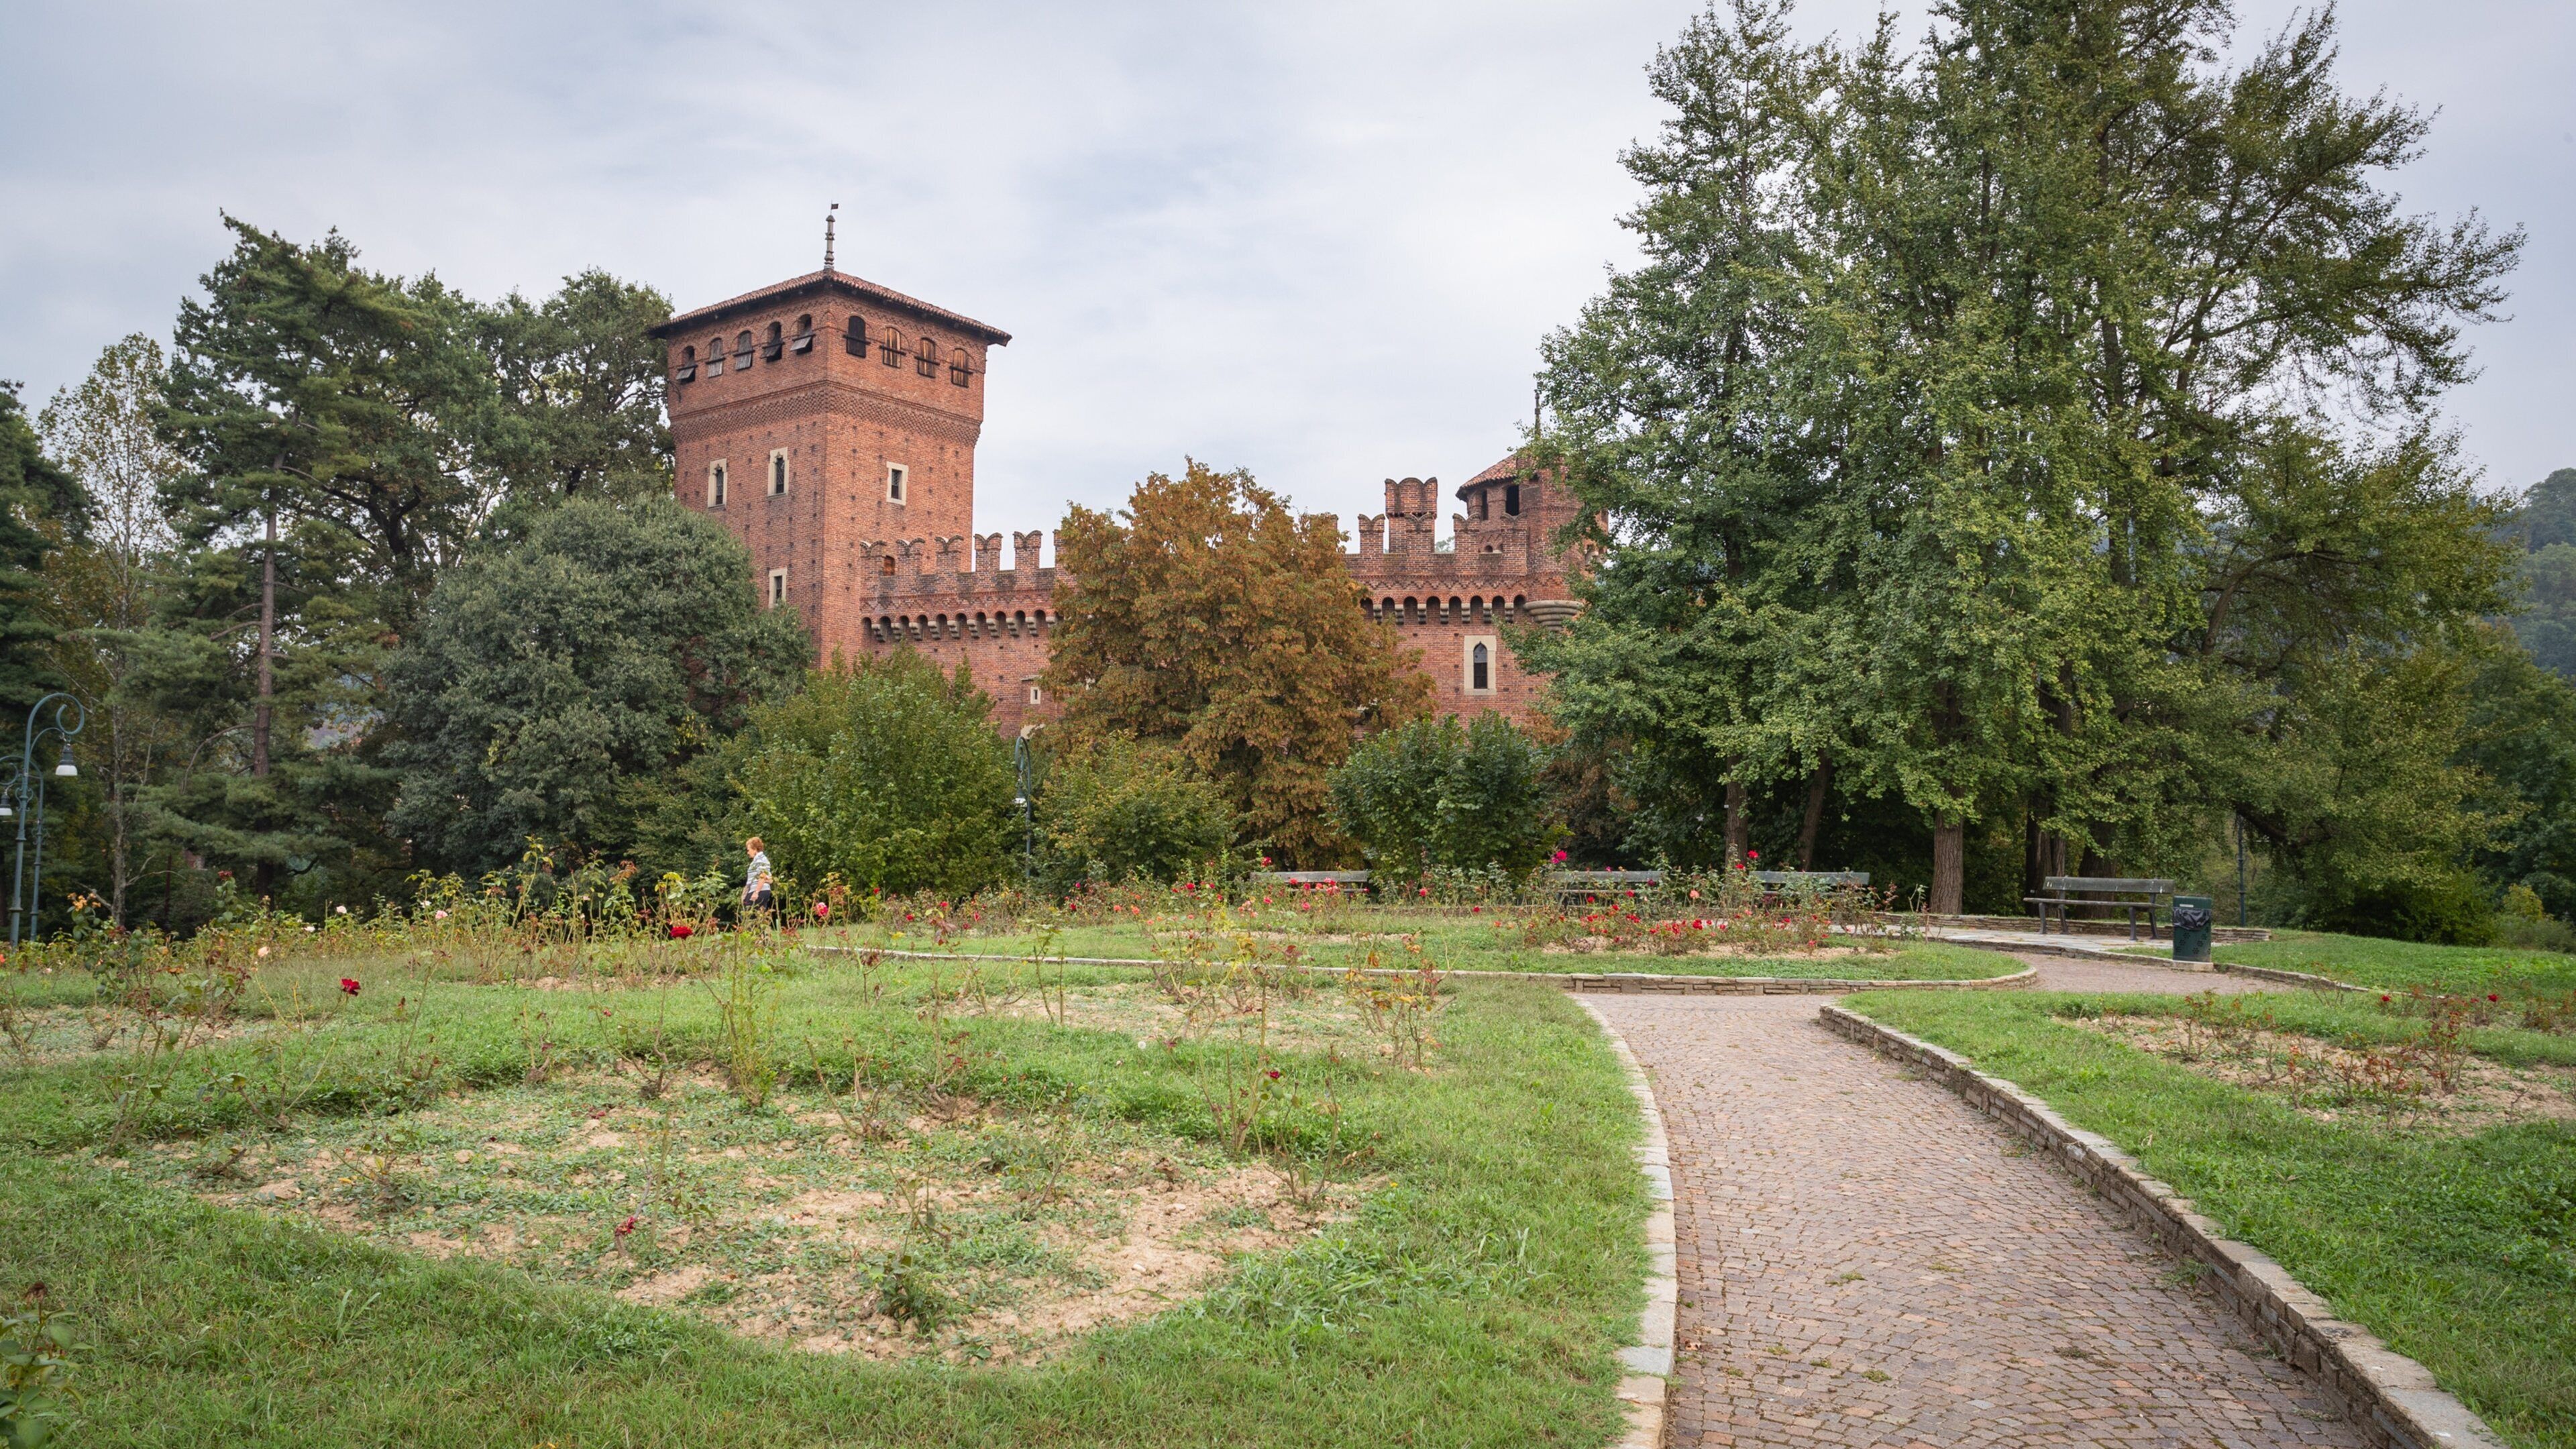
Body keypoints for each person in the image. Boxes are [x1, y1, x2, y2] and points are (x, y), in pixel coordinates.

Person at [742, 837, 775, 923]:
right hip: (764, 890)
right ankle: (762, 936)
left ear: (755, 849)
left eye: (749, 850)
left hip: (758, 891)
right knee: (760, 918)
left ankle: (752, 935)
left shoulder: (760, 859)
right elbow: (770, 879)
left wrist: (756, 892)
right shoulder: (760, 860)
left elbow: (763, 875)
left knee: (749, 917)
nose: (748, 852)